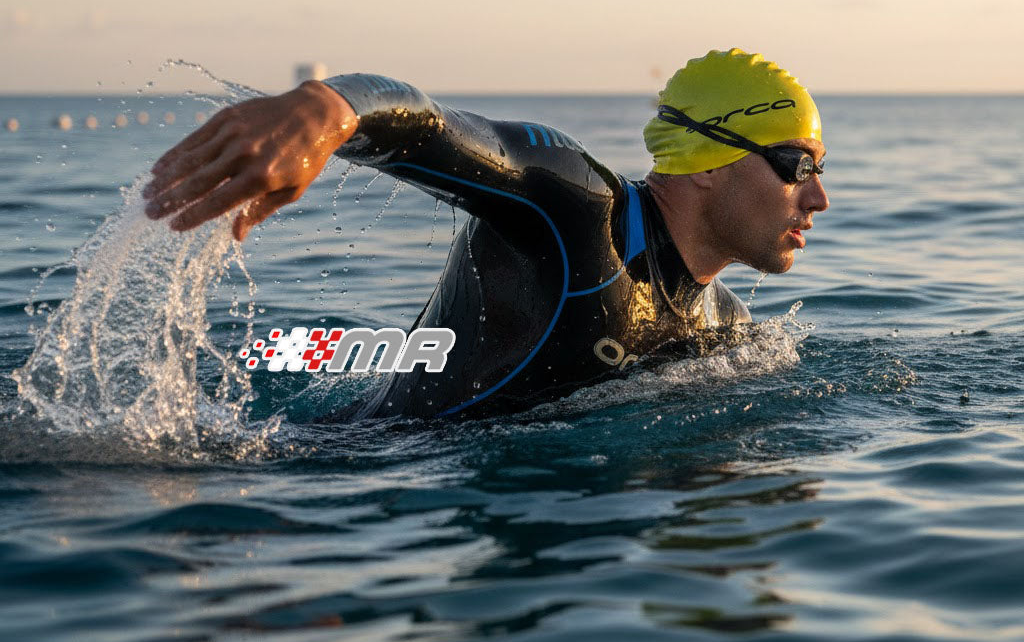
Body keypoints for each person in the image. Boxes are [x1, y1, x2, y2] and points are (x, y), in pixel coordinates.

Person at [143, 48, 828, 419]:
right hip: (333, 475)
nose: (819, 198)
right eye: (797, 166)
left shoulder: (726, 329)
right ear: (708, 163)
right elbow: (436, 128)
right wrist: (325, 106)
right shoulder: (575, 205)